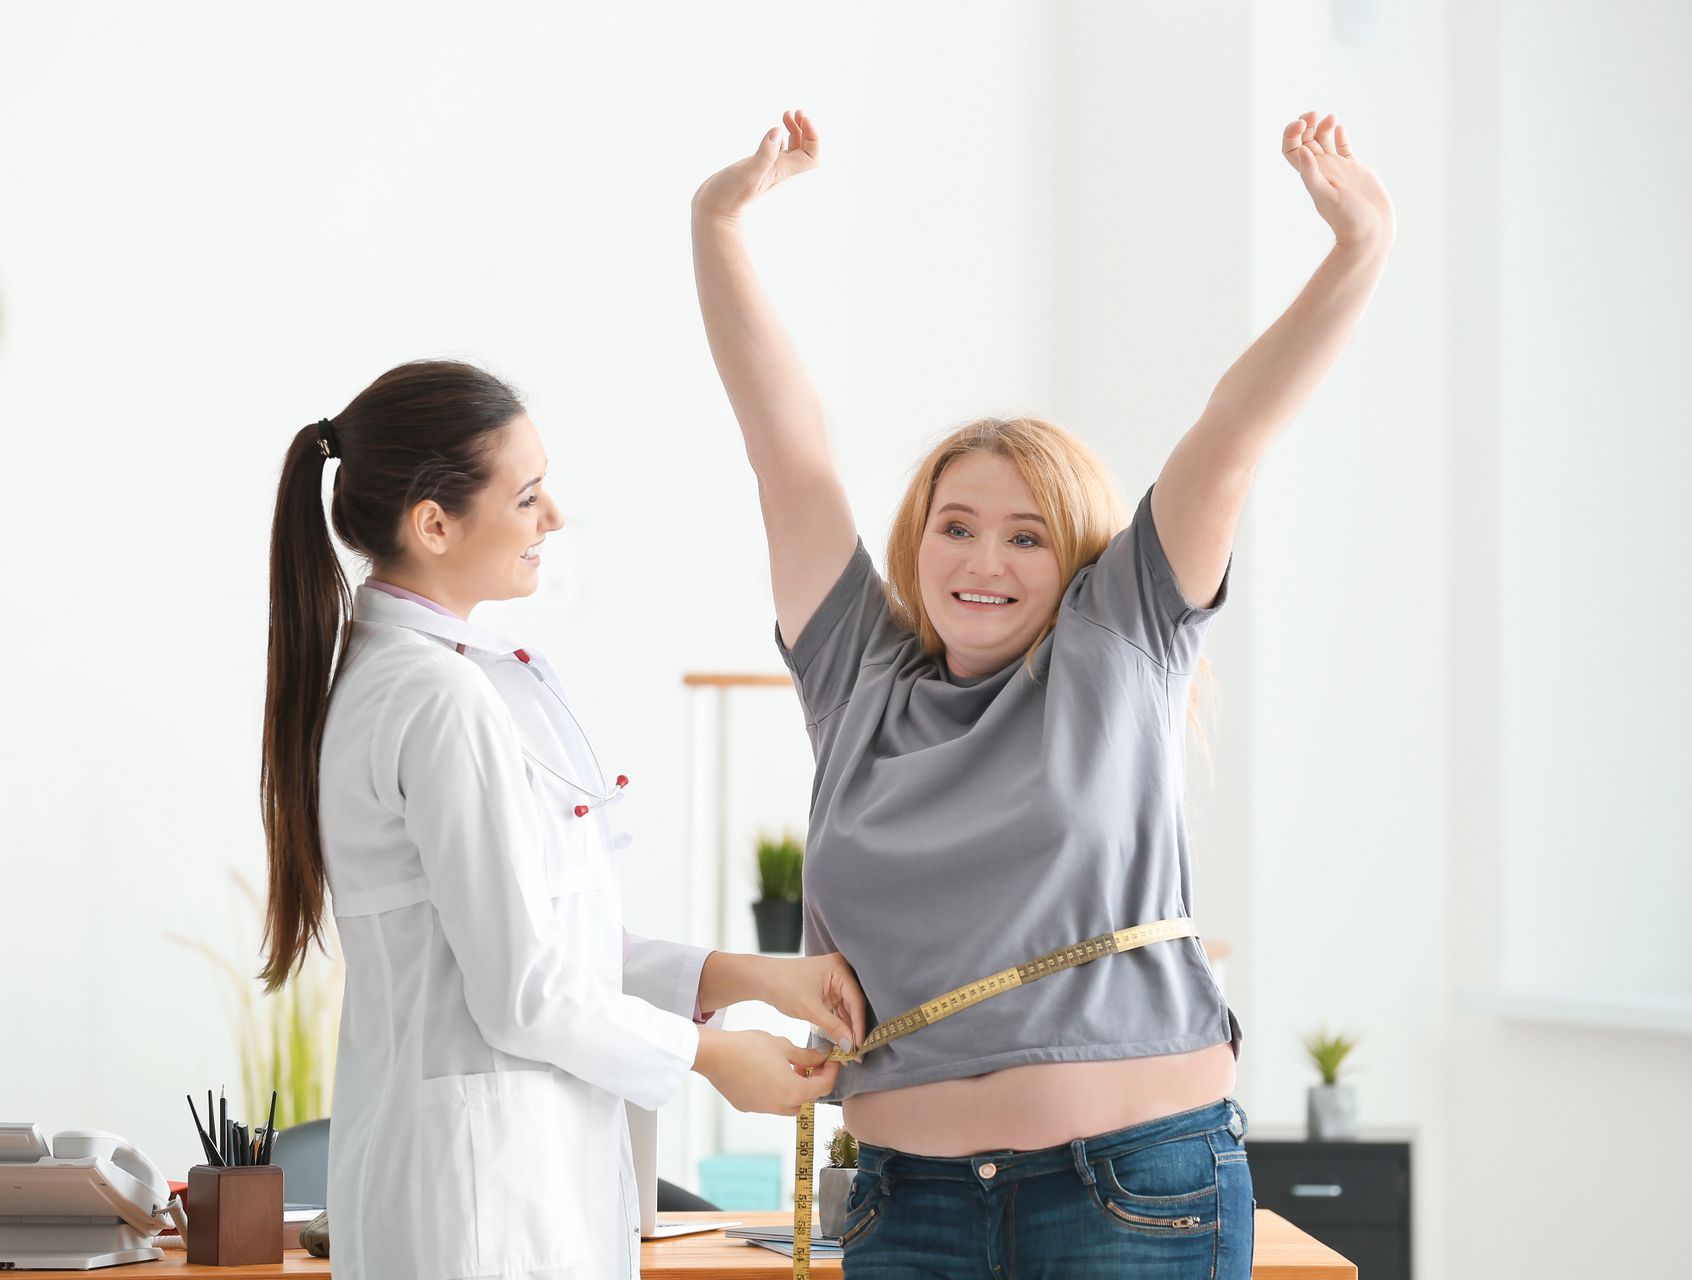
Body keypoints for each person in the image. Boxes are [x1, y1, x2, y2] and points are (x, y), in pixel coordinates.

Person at [692, 109, 1393, 1277]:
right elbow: (785, 449)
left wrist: (1357, 246)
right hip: (903, 1207)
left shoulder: (1120, 637)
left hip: (1130, 1194)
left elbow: (1232, 433)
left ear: (1075, 559)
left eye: (1026, 535)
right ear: (918, 540)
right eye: (957, 526)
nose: (984, 560)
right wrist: (719, 223)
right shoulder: (859, 672)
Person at [257, 359, 868, 1280]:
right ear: (433, 524)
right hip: (477, 1207)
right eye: (528, 495)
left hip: (495, 1187)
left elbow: (545, 947)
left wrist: (758, 978)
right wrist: (711, 1057)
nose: (554, 517)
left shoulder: (427, 678)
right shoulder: (435, 697)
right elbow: (527, 993)